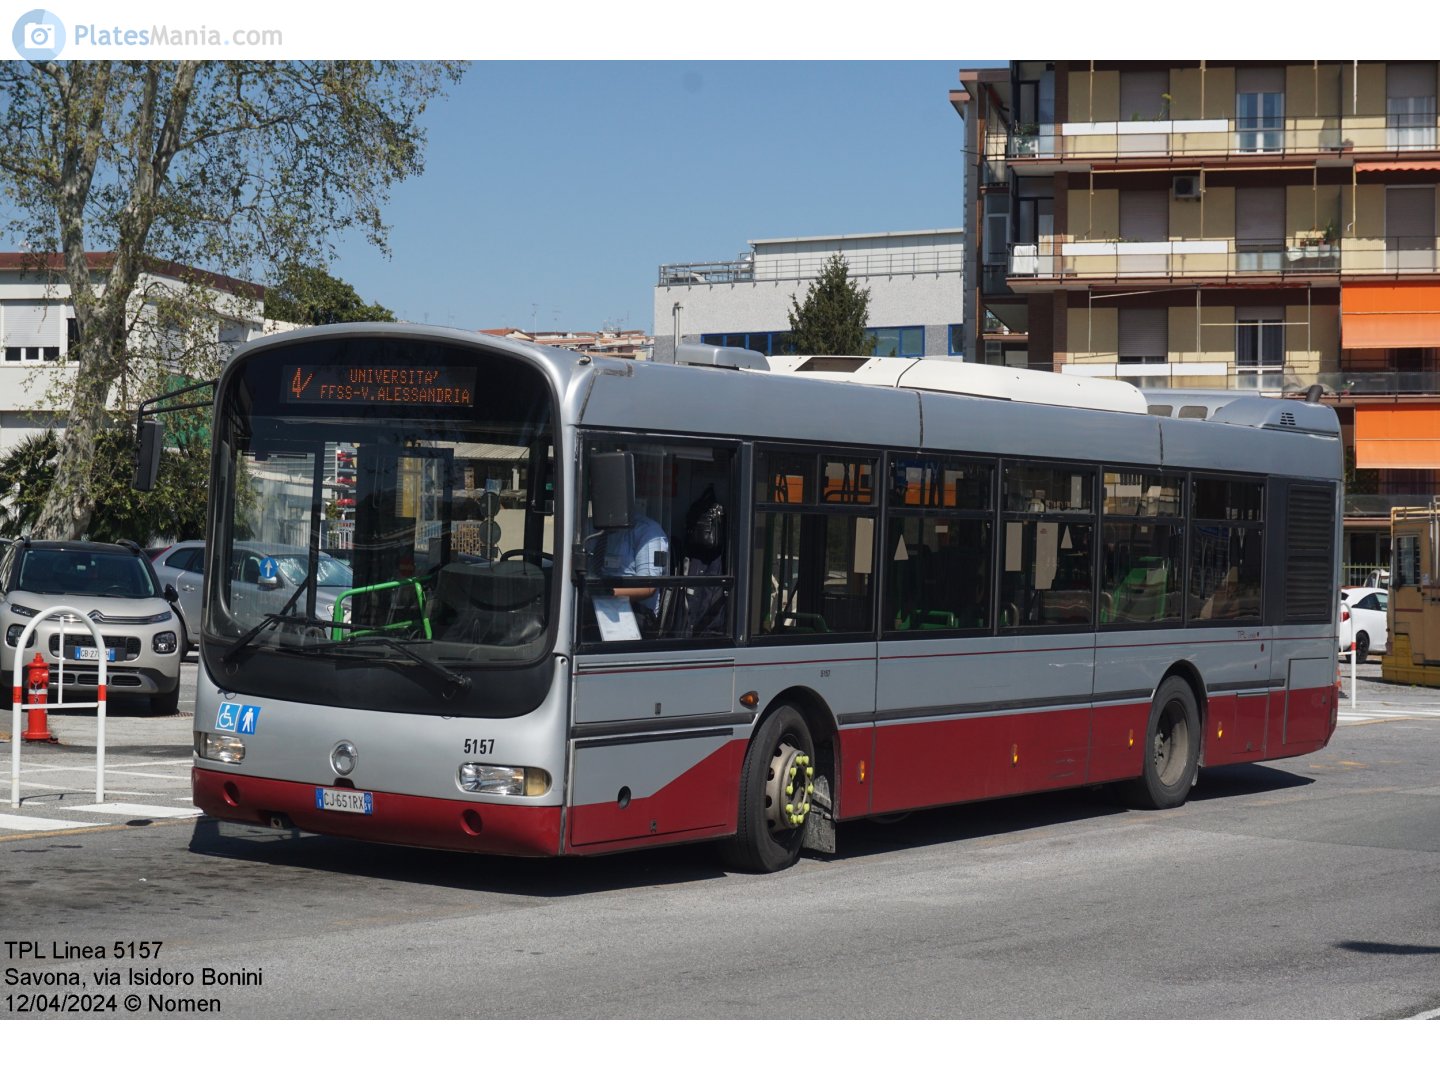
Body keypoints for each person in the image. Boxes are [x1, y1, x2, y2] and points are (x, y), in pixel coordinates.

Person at [589, 507, 670, 625]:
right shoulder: (590, 527)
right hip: (591, 605)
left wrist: (605, 594)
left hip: (632, 611)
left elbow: (648, 587)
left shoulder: (647, 531)